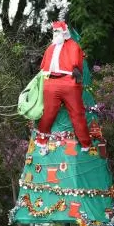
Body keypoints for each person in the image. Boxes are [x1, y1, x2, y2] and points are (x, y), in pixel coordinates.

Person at [36, 20, 92, 148]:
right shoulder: (50, 48)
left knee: (77, 113)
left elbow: (77, 64)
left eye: (58, 31)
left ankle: (86, 143)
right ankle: (41, 141)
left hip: (69, 82)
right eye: (54, 31)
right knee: (48, 113)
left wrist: (75, 80)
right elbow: (43, 67)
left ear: (64, 32)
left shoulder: (73, 46)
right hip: (51, 82)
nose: (56, 33)